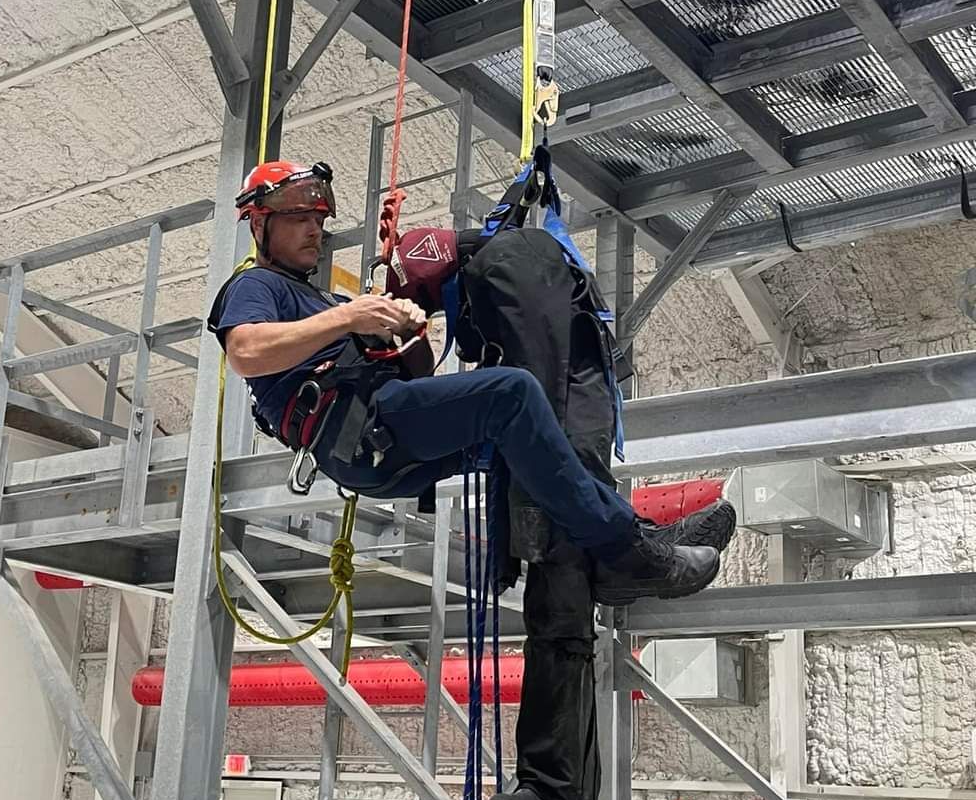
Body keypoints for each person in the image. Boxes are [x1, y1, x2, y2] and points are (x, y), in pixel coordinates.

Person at [208, 159, 721, 608]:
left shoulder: (325, 304)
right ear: (259, 225)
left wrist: (408, 331)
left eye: (318, 220)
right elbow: (246, 353)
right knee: (512, 394)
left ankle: (629, 542)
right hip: (360, 432)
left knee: (537, 436)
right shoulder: (259, 285)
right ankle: (625, 551)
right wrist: (352, 317)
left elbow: (418, 374)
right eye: (298, 219)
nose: (314, 231)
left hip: (386, 437)